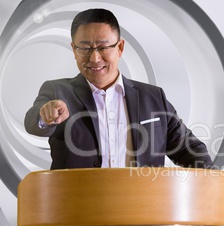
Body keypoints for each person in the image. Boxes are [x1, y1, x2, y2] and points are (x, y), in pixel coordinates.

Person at [25, 8, 213, 170]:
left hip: (141, 208)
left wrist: (210, 182)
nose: (95, 58)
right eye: (84, 48)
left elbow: (190, 151)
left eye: (103, 47)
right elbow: (34, 123)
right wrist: (45, 117)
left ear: (120, 47)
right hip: (77, 207)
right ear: (74, 50)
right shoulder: (58, 92)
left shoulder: (154, 97)